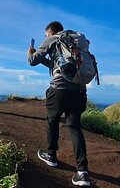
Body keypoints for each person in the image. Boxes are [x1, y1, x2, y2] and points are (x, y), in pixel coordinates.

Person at [27, 21, 90, 187]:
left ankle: (51, 156)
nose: (45, 37)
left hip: (60, 90)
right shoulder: (74, 41)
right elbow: (60, 66)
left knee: (52, 120)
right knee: (75, 127)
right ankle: (82, 173)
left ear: (50, 31)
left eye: (45, 34)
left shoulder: (52, 39)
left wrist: (30, 53)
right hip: (79, 90)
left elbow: (32, 61)